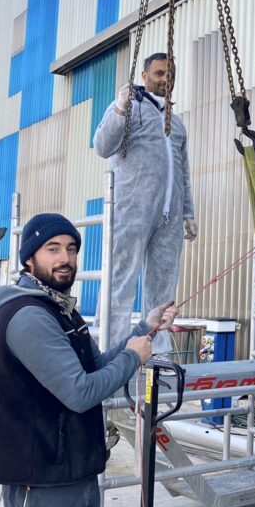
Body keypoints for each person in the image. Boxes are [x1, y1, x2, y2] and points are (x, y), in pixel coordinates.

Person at [0, 213, 177, 507]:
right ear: (29, 259)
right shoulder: (28, 316)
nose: (65, 258)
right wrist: (134, 358)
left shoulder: (61, 311)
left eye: (71, 249)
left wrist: (144, 329)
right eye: (52, 249)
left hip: (74, 473)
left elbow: (96, 365)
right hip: (42, 484)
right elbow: (80, 391)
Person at [93, 53, 195, 354]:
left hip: (169, 216)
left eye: (170, 74)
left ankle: (157, 352)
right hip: (132, 210)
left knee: (163, 287)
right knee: (120, 281)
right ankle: (109, 351)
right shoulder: (130, 109)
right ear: (144, 75)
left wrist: (188, 211)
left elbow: (183, 172)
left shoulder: (177, 124)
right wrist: (120, 107)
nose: (165, 79)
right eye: (159, 73)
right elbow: (102, 146)